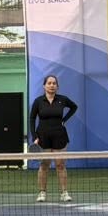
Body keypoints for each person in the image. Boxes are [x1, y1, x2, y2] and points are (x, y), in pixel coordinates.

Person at [28, 74, 77, 204]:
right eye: (49, 83)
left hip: (59, 136)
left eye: (54, 83)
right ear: (44, 86)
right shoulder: (38, 101)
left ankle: (64, 193)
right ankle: (42, 192)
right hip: (43, 136)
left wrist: (64, 120)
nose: (52, 85)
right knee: (44, 165)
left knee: (60, 165)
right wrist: (34, 136)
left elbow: (74, 107)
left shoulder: (62, 99)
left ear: (57, 86)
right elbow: (32, 118)